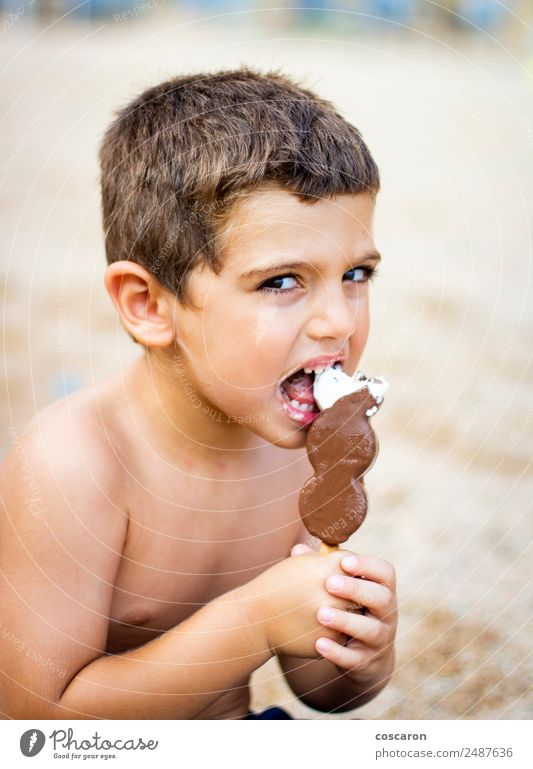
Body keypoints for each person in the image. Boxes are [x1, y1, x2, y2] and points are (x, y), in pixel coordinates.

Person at [0, 69, 397, 720]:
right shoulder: (75, 464)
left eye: (355, 274)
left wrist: (355, 648)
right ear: (149, 304)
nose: (340, 321)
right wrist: (255, 621)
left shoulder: (302, 450)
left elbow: (318, 688)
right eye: (280, 281)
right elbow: (33, 722)